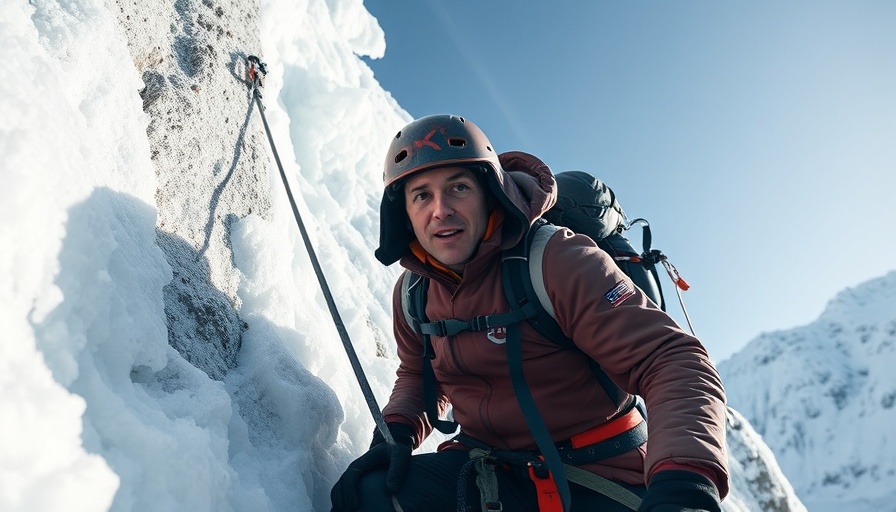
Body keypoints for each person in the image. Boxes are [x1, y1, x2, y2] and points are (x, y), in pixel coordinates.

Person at [331, 114, 728, 512]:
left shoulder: (556, 260)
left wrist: (684, 483)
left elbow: (671, 360)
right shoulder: (413, 293)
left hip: (599, 473)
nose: (441, 210)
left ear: (491, 194)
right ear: (406, 214)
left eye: (459, 187)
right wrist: (393, 438)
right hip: (489, 469)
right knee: (368, 495)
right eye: (421, 195)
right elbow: (419, 377)